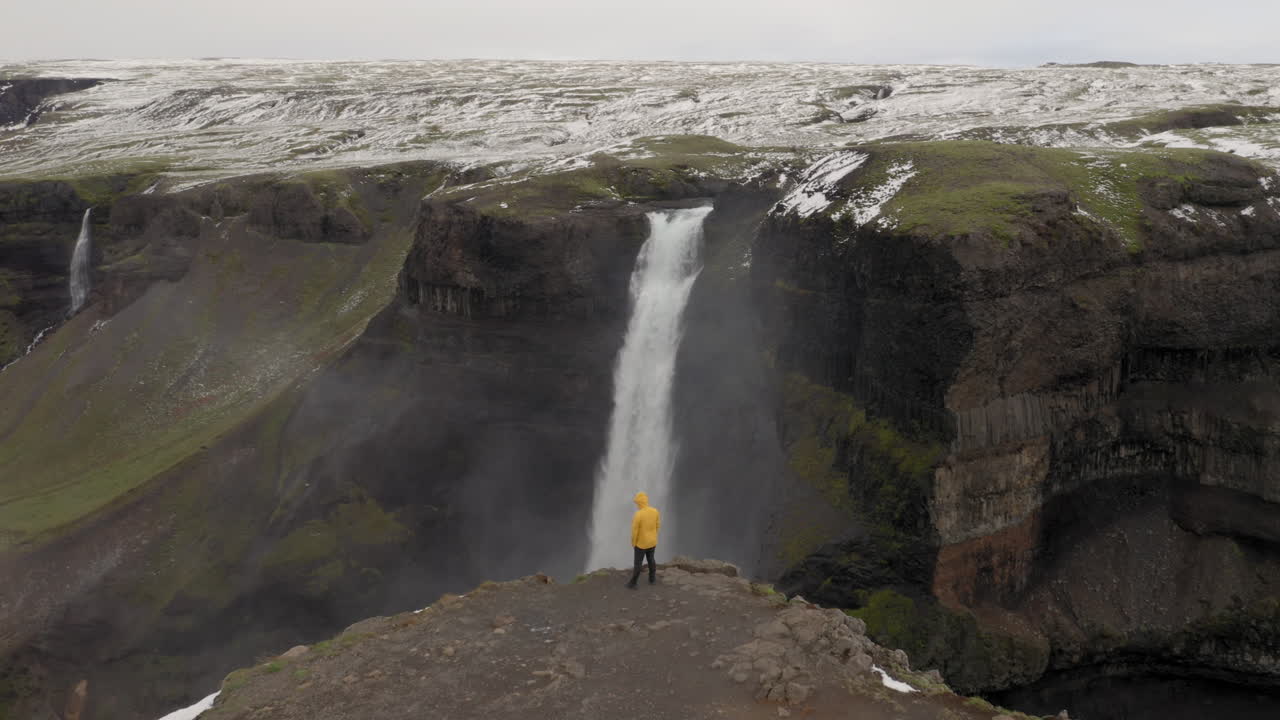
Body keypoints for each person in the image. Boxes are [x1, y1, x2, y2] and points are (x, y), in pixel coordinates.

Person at [626, 491, 661, 589]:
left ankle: (633, 583)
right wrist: (653, 536)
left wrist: (633, 543)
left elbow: (634, 532)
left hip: (641, 544)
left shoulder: (638, 514)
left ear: (639, 503)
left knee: (638, 564)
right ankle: (652, 580)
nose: (636, 505)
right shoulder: (655, 511)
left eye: (637, 503)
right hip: (652, 542)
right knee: (651, 560)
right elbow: (658, 525)